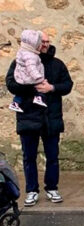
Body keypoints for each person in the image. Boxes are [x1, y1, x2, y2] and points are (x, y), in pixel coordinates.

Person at [5, 31, 73, 206]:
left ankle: (52, 188)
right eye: (42, 41)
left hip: (51, 118)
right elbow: (11, 83)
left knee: (52, 156)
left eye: (47, 41)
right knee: (29, 157)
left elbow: (67, 85)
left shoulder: (57, 64)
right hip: (28, 117)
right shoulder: (20, 62)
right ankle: (32, 190)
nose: (45, 44)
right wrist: (33, 88)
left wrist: (51, 88)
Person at [8, 29, 47, 113]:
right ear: (34, 45)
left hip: (20, 77)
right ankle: (38, 97)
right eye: (41, 42)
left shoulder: (22, 52)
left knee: (20, 93)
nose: (43, 45)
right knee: (39, 86)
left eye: (47, 42)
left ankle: (15, 103)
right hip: (28, 77)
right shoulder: (31, 56)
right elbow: (31, 67)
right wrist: (38, 77)